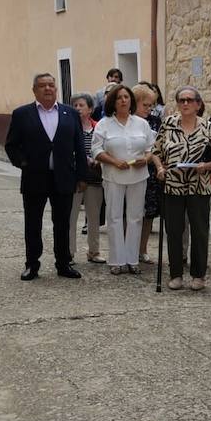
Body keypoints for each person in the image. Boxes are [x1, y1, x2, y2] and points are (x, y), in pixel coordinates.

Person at [4, 72, 89, 280]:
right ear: (35, 90)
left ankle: (63, 263)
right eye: (42, 85)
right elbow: (11, 145)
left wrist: (82, 176)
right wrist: (24, 163)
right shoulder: (22, 114)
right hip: (35, 177)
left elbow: (79, 146)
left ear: (56, 89)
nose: (48, 88)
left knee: (63, 223)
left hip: (64, 177)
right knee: (33, 223)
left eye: (51, 85)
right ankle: (32, 264)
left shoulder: (70, 113)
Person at [154, 86, 211, 290]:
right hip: (173, 185)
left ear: (198, 104)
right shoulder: (168, 124)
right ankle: (176, 274)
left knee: (200, 231)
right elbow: (155, 151)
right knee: (174, 231)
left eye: (189, 100)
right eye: (181, 100)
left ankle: (199, 275)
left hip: (199, 186)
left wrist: (206, 166)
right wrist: (159, 168)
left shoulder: (207, 127)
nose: (185, 104)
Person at [91, 84, 155, 276]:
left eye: (126, 97)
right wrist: (113, 161)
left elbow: (151, 149)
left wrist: (146, 159)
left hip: (138, 175)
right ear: (113, 101)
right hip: (113, 175)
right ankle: (117, 260)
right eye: (119, 97)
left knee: (135, 217)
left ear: (131, 101)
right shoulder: (104, 124)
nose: (123, 100)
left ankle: (132, 259)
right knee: (114, 217)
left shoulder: (141, 123)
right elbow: (96, 149)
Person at [68, 93, 105, 265]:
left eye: (81, 105)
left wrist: (98, 158)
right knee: (71, 216)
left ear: (90, 109)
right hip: (74, 177)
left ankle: (94, 251)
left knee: (93, 216)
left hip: (94, 177)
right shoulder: (68, 127)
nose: (77, 109)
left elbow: (105, 147)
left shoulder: (99, 127)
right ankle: (69, 253)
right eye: (75, 105)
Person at [132, 83, 164, 263]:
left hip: (150, 171)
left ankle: (142, 249)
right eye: (145, 105)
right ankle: (129, 248)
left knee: (148, 213)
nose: (149, 108)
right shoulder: (126, 120)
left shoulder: (155, 121)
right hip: (130, 170)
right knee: (131, 213)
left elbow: (157, 146)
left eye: (151, 105)